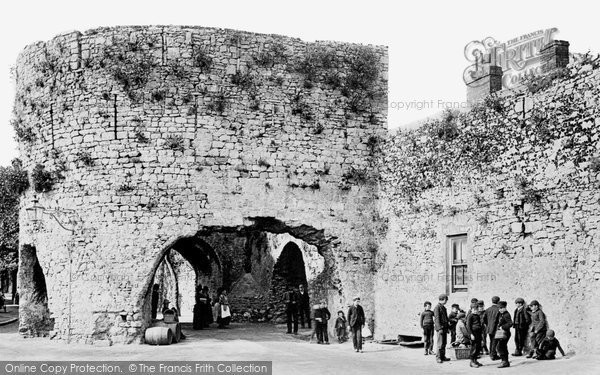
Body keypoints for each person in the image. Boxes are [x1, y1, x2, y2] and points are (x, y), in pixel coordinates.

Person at [433, 294, 451, 363]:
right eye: (446, 300)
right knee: (440, 344)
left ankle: (443, 356)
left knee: (444, 343)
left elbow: (446, 319)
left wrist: (448, 328)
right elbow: (437, 319)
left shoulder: (443, 307)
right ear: (443, 299)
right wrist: (439, 328)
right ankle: (438, 357)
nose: (446, 302)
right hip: (440, 329)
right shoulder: (437, 308)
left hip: (445, 328)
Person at [496, 301, 513, 368]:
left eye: (501, 308)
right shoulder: (502, 314)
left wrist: (502, 327)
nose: (500, 309)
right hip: (501, 332)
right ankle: (505, 361)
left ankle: (505, 361)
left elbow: (510, 323)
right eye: (499, 308)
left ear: (505, 307)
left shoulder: (506, 314)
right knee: (502, 347)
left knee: (500, 347)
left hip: (505, 333)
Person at [483, 296, 501, 361]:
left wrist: (487, 325)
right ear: (498, 301)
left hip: (489, 328)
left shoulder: (487, 309)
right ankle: (493, 355)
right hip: (496, 328)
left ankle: (492, 354)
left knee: (491, 341)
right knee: (495, 342)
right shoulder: (499, 309)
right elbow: (500, 320)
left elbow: (484, 319)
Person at [466, 303, 484, 368]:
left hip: (478, 333)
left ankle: (475, 360)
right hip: (473, 333)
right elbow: (468, 326)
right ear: (471, 309)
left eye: (476, 309)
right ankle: (472, 361)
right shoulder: (470, 316)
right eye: (474, 309)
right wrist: (471, 334)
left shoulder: (478, 316)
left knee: (478, 347)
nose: (475, 311)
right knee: (474, 347)